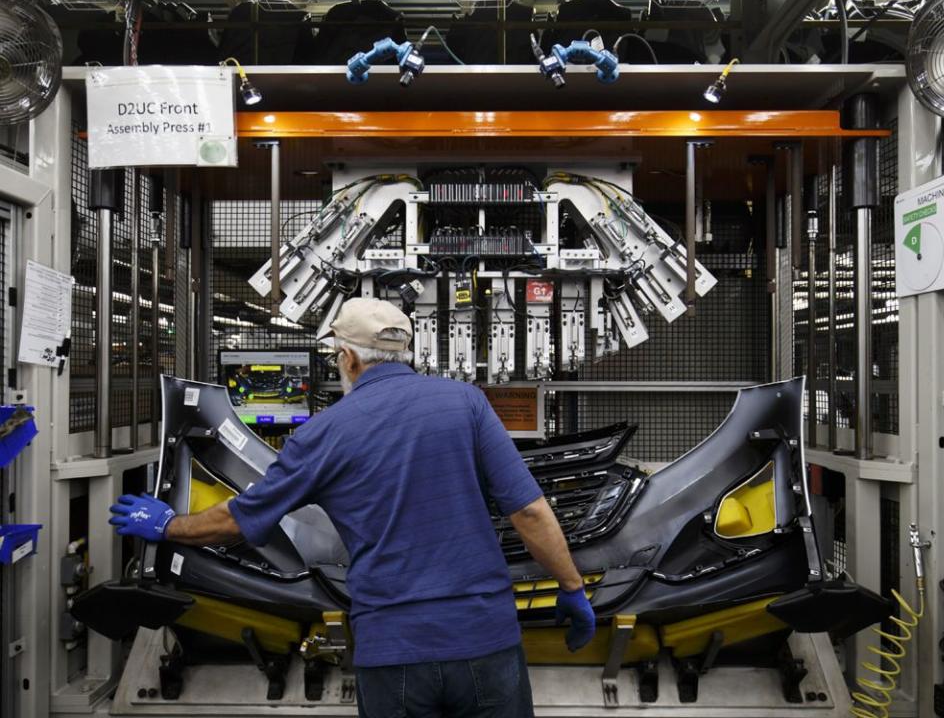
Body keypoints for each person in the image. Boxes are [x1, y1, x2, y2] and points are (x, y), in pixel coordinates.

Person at [108, 297, 596, 717]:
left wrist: (170, 525)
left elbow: (238, 520)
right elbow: (529, 512)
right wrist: (571, 587)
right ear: (404, 352)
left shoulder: (323, 434)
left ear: (346, 358)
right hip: (485, 641)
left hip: (393, 650)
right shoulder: (466, 403)